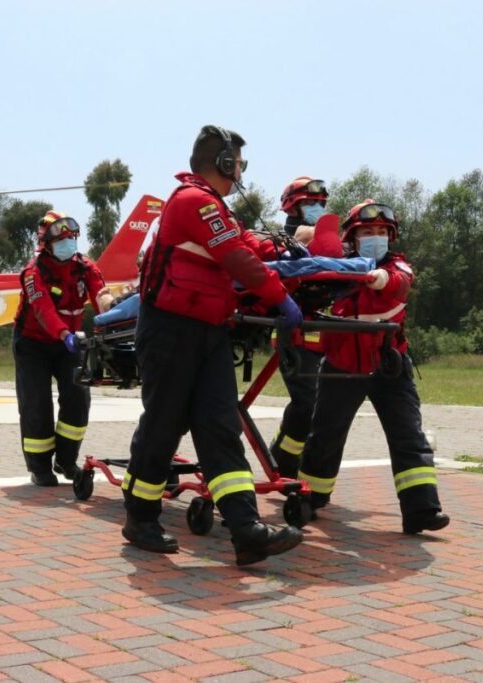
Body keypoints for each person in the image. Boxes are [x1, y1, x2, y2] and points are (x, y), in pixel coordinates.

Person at [122, 125, 305, 566]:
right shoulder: (192, 201)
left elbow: (243, 242)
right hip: (170, 329)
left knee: (221, 427)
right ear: (224, 163)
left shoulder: (212, 207)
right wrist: (280, 297)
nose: (241, 169)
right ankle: (140, 518)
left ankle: (246, 531)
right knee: (164, 424)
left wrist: (281, 249)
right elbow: (235, 256)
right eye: (238, 162)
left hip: (208, 330)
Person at [298, 200, 450, 535]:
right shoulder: (335, 269)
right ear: (353, 236)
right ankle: (311, 496)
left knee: (409, 436)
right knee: (326, 435)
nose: (376, 237)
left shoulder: (399, 266)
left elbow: (398, 283)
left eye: (382, 231)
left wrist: (377, 276)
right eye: (369, 231)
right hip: (342, 366)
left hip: (389, 367)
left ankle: (421, 509)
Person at [14, 211, 115, 486]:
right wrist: (63, 334)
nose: (69, 242)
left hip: (70, 342)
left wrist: (113, 314)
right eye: (62, 238)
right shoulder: (34, 273)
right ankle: (40, 467)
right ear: (46, 243)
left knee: (78, 397)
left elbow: (101, 297)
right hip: (33, 343)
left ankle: (66, 461)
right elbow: (43, 310)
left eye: (72, 237)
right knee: (36, 404)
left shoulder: (86, 267)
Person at [270, 177, 339, 478]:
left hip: (324, 333)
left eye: (320, 203)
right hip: (294, 333)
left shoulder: (328, 238)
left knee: (320, 405)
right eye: (310, 203)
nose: (317, 207)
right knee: (306, 402)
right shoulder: (279, 241)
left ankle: (283, 458)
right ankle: (282, 458)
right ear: (292, 206)